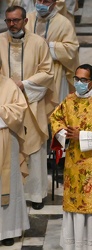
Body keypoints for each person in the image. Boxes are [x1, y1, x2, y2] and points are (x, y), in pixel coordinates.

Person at [49, 64, 92, 250]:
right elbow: (56, 119)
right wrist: (64, 133)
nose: (79, 83)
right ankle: (75, 244)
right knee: (75, 203)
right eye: (77, 79)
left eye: (84, 80)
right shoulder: (69, 100)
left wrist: (82, 135)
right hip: (73, 161)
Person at [0, 5, 55, 210]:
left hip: (31, 103)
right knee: (10, 150)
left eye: (16, 20)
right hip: (7, 105)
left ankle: (36, 194)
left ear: (25, 21)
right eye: (8, 21)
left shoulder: (38, 43)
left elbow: (47, 72)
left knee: (34, 148)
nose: (12, 25)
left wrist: (24, 84)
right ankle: (15, 194)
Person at [26, 0, 80, 103]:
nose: (41, 4)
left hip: (55, 71)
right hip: (30, 71)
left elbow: (71, 49)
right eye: (39, 0)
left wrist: (49, 46)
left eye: (46, 1)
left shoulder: (63, 23)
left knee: (54, 110)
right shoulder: (27, 19)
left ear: (55, 4)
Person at [0, 74, 30, 247]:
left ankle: (8, 231)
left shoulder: (8, 85)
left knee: (8, 185)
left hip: (6, 139)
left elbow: (19, 112)